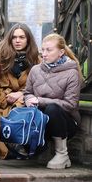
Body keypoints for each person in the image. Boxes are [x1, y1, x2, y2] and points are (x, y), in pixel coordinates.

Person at [24, 33, 82, 169]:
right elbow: (27, 93)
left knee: (52, 109)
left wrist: (40, 100)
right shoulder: (35, 70)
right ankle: (40, 148)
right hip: (41, 119)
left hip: (66, 122)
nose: (44, 54)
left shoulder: (71, 73)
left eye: (49, 50)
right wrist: (29, 100)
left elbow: (70, 105)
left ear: (61, 52)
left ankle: (62, 154)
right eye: (42, 50)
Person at [0, 23, 40, 159]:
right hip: (0, 103)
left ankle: (21, 146)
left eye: (22, 37)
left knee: (21, 111)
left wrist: (21, 94)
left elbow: (39, 86)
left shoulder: (36, 60)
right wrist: (5, 98)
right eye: (14, 37)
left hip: (23, 102)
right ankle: (6, 151)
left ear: (28, 40)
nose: (17, 41)